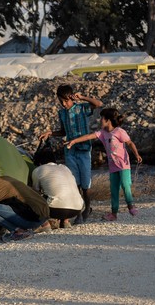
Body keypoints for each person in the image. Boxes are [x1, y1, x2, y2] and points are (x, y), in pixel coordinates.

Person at [39, 84, 103, 224]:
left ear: (72, 97)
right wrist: (51, 133)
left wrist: (83, 97)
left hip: (84, 150)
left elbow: (98, 104)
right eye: (61, 101)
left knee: (86, 183)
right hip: (70, 151)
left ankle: (87, 208)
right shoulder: (62, 113)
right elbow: (63, 132)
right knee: (75, 182)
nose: (64, 104)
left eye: (66, 101)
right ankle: (79, 211)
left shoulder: (82, 108)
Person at [66, 108, 142, 221]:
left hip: (123, 165)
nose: (99, 120)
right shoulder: (103, 133)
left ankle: (131, 205)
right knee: (114, 190)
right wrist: (73, 141)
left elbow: (130, 143)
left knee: (125, 185)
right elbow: (88, 136)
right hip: (112, 167)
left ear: (108, 120)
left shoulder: (119, 131)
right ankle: (113, 213)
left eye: (102, 118)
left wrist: (136, 155)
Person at [0, 165, 50, 242]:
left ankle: (19, 232)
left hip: (34, 219)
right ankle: (42, 224)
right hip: (45, 213)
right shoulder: (6, 178)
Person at [32, 146, 85, 229]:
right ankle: (65, 221)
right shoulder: (64, 167)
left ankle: (45, 224)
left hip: (56, 210)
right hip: (77, 209)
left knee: (33, 197)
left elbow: (35, 191)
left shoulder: (39, 169)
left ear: (39, 162)